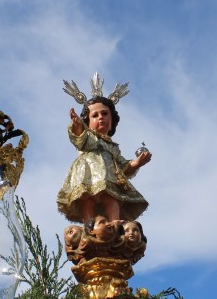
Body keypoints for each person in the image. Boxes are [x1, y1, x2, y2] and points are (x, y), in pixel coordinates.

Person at [57, 94, 152, 224]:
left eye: (104, 114)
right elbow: (79, 139)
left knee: (112, 199)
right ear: (87, 121)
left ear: (112, 118)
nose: (100, 117)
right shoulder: (88, 136)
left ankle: (115, 223)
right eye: (95, 115)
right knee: (87, 199)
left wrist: (137, 163)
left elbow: (123, 166)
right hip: (88, 174)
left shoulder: (113, 147)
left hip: (110, 178)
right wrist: (78, 126)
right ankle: (88, 225)